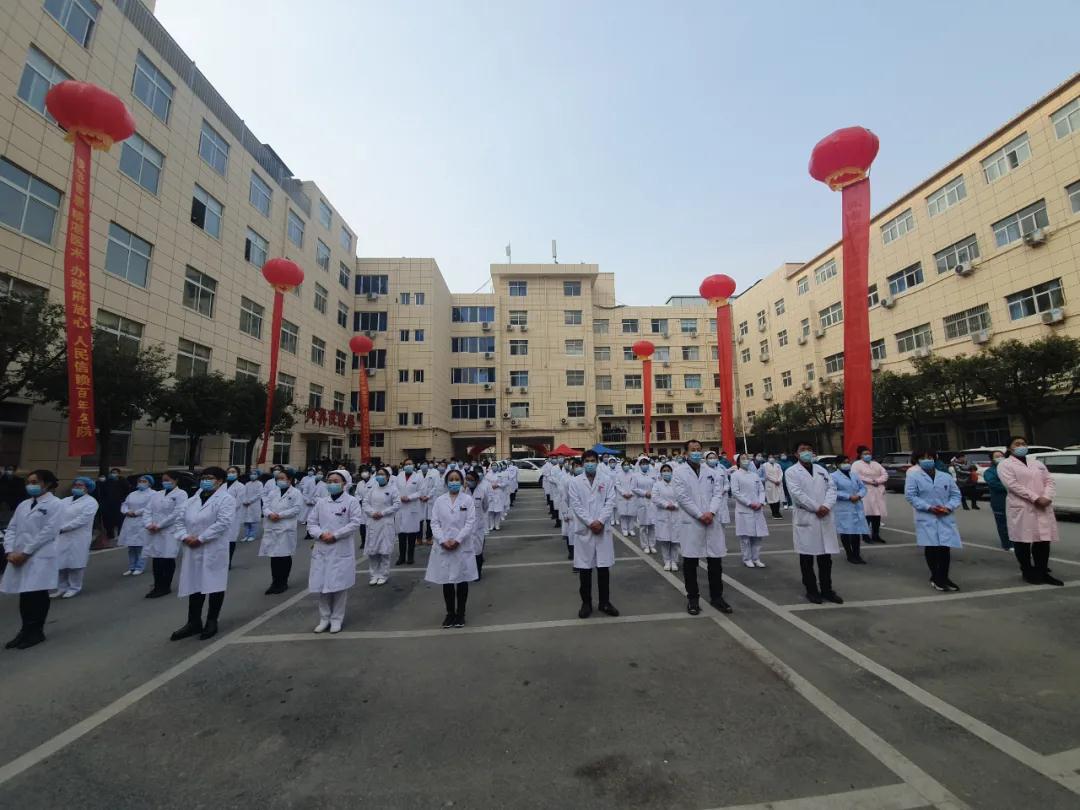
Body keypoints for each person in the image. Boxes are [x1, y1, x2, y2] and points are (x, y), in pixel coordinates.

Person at [170, 467, 235, 641]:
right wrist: (184, 536)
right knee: (194, 584)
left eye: (210, 478)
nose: (205, 480)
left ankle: (212, 621)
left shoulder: (226, 499)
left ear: (220, 481)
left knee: (214, 585)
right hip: (192, 547)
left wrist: (201, 538)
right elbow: (179, 520)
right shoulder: (193, 499)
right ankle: (193, 622)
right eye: (203, 477)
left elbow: (223, 523)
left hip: (213, 548)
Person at [2, 470, 62, 649]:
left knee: (37, 593)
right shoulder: (23, 504)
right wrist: (9, 551)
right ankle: (25, 630)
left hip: (39, 555)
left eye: (35, 482)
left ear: (47, 483)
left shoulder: (56, 504)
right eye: (28, 482)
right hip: (18, 554)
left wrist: (26, 553)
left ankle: (36, 631)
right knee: (25, 594)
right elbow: (12, 528)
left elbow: (49, 531)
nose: (30, 485)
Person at [673, 439, 732, 615]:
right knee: (690, 563)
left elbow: (718, 494)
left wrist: (711, 512)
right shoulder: (679, 472)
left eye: (699, 449)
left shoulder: (711, 472)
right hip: (692, 521)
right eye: (693, 450)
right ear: (685, 453)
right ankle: (693, 599)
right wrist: (700, 515)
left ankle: (717, 597)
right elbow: (682, 497)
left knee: (715, 562)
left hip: (711, 520)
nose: (696, 452)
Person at [997, 437, 1062, 586]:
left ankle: (1042, 572)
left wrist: (1047, 496)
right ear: (1009, 448)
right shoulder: (1005, 465)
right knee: (1022, 541)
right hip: (1022, 506)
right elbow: (1012, 485)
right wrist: (1035, 498)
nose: (1021, 446)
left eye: (1023, 443)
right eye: (1017, 444)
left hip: (1042, 505)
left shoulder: (1037, 463)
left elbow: (1049, 481)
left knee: (1043, 540)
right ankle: (1027, 571)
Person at [784, 443, 843, 605]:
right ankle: (811, 590)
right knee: (807, 559)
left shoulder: (821, 470)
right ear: (796, 454)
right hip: (807, 517)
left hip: (824, 515)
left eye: (809, 450)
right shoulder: (791, 472)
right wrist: (817, 508)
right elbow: (797, 494)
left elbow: (832, 489)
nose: (807, 452)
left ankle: (827, 590)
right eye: (802, 450)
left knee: (825, 559)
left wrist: (826, 506)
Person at [307, 470, 363, 633]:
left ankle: (337, 619)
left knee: (339, 586)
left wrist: (336, 535)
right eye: (329, 481)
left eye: (336, 481)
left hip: (340, 547)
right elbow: (311, 522)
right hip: (322, 546)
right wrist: (321, 534)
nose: (332, 484)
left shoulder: (351, 501)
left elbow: (355, 523)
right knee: (322, 586)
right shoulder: (321, 502)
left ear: (344, 483)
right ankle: (324, 618)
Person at [567, 450, 619, 619]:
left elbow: (610, 501)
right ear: (582, 463)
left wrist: (601, 521)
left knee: (603, 568)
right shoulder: (575, 482)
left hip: (602, 529)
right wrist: (591, 522)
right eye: (587, 461)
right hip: (585, 529)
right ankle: (586, 603)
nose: (590, 463)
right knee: (585, 569)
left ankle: (605, 602)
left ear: (597, 462)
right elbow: (576, 505)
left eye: (593, 461)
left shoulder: (606, 480)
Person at [427, 469, 478, 628]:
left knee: (462, 580)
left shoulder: (467, 500)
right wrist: (442, 540)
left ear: (462, 482)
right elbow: (434, 522)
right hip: (443, 546)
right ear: (446, 482)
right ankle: (450, 614)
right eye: (451, 479)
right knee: (447, 581)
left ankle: (461, 614)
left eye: (457, 479)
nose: (454, 482)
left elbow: (470, 522)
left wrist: (457, 540)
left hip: (461, 546)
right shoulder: (439, 501)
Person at [905, 451, 962, 591]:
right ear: (917, 460)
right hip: (927, 516)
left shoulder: (945, 476)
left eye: (929, 457)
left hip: (945, 515)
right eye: (922, 458)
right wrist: (928, 507)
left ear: (934, 459)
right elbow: (911, 496)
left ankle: (944, 577)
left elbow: (956, 495)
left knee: (945, 548)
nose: (927, 460)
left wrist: (948, 507)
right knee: (932, 547)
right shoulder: (913, 476)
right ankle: (936, 577)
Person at [143, 471, 188, 598]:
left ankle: (165, 586)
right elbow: (148, 510)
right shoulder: (157, 494)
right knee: (156, 559)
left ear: (176, 480)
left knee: (167, 558)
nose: (165, 482)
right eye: (163, 480)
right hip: (154, 530)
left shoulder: (181, 494)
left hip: (169, 531)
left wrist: (160, 525)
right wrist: (148, 524)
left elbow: (177, 513)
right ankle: (157, 585)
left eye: (168, 480)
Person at [52, 476, 100, 598]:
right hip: (61, 535)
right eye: (75, 485)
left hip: (78, 536)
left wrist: (64, 528)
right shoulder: (65, 500)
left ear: (87, 488)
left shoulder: (91, 502)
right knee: (60, 563)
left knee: (76, 563)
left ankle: (74, 587)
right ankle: (61, 587)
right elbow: (55, 513)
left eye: (80, 485)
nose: (77, 487)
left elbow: (82, 519)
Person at [260, 468, 303, 594]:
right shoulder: (273, 492)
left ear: (289, 480)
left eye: (282, 478)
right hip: (272, 526)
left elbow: (296, 509)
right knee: (274, 556)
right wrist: (269, 514)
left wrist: (280, 515)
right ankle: (275, 582)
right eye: (278, 479)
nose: (280, 481)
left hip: (285, 528)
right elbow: (265, 506)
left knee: (284, 556)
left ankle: (283, 582)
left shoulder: (296, 493)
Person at [363, 467, 400, 585]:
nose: (380, 476)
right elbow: (365, 503)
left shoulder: (393, 489)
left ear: (388, 477)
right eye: (378, 474)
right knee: (372, 551)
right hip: (373, 522)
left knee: (384, 551)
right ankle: (374, 575)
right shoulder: (372, 489)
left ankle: (384, 575)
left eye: (382, 474)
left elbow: (397, 504)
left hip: (385, 522)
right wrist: (372, 512)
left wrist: (383, 513)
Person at [731, 454, 768, 569]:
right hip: (744, 509)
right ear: (738, 462)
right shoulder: (735, 475)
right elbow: (735, 492)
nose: (746, 460)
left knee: (757, 536)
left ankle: (756, 558)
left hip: (757, 508)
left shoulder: (754, 475)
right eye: (743, 459)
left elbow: (761, 490)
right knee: (745, 537)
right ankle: (747, 558)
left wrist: (760, 502)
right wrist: (749, 503)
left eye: (747, 458)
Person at [831, 456, 868, 565]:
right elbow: (833, 491)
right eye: (844, 462)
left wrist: (859, 495)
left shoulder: (854, 475)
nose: (847, 464)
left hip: (856, 504)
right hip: (843, 507)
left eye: (848, 462)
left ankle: (857, 554)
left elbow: (863, 487)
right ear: (837, 464)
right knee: (846, 531)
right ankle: (849, 554)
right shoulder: (833, 476)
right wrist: (848, 496)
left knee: (856, 532)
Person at [118, 474, 154, 576]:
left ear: (150, 483)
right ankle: (131, 567)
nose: (141, 483)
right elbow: (124, 504)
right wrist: (126, 511)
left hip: (142, 520)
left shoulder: (153, 494)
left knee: (140, 547)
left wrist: (136, 512)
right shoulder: (132, 494)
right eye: (140, 481)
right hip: (130, 521)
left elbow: (150, 507)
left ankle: (139, 567)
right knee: (131, 547)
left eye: (144, 481)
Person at [851, 446, 888, 543]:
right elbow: (857, 476)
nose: (867, 455)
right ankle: (865, 536)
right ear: (860, 455)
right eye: (865, 454)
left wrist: (878, 481)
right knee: (866, 514)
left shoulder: (875, 464)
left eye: (869, 453)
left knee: (877, 515)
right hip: (865, 491)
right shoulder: (856, 464)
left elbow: (885, 474)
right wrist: (871, 481)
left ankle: (876, 535)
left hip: (877, 490)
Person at [651, 464, 680, 572]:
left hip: (676, 514)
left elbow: (682, 497)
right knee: (665, 541)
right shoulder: (657, 485)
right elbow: (655, 498)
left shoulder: (677, 484)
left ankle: (674, 561)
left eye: (668, 470)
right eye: (664, 471)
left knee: (675, 541)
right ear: (661, 473)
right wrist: (666, 505)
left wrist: (675, 505)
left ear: (672, 472)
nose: (666, 472)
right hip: (663, 514)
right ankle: (667, 561)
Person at [395, 460, 424, 564]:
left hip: (412, 507)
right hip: (401, 507)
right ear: (403, 466)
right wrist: (400, 497)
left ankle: (410, 557)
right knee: (401, 535)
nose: (408, 466)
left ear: (413, 465)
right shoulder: (399, 476)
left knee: (412, 535)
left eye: (410, 464)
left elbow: (421, 491)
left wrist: (410, 497)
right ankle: (401, 557)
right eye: (406, 464)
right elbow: (395, 489)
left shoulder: (418, 477)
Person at [982, 450, 1013, 550]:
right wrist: (1012, 487)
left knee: (1015, 524)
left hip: (1014, 501)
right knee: (1003, 524)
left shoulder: (1010, 469)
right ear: (992, 459)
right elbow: (994, 484)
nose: (1000, 458)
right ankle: (1007, 544)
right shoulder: (990, 472)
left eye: (1001, 455)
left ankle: (1017, 542)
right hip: (999, 502)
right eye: (997, 456)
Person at [464, 467, 490, 577]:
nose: (468, 481)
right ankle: (469, 571)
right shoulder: (463, 491)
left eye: (471, 479)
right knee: (467, 551)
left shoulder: (482, 491)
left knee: (478, 551)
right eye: (467, 479)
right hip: (465, 526)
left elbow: (485, 506)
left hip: (478, 526)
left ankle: (478, 573)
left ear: (477, 481)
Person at [632, 457, 657, 553]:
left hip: (652, 501)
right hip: (641, 501)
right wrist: (644, 493)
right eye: (642, 464)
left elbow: (656, 486)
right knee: (643, 526)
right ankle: (645, 545)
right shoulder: (635, 476)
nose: (644, 465)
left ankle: (652, 545)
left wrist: (652, 493)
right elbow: (634, 488)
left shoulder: (652, 475)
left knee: (652, 525)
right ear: (639, 465)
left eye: (646, 463)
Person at [98, 467, 129, 543]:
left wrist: (122, 500)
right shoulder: (107, 482)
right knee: (108, 521)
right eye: (112, 472)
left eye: (115, 472)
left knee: (119, 521)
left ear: (119, 474)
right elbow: (102, 493)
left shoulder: (123, 482)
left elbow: (127, 492)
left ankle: (120, 536)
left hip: (119, 504)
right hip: (108, 505)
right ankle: (110, 535)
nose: (113, 474)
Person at [239, 469, 263, 543]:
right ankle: (246, 535)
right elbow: (244, 493)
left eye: (254, 474)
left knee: (253, 522)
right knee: (246, 522)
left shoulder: (259, 484)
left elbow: (259, 494)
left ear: (258, 475)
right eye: (251, 474)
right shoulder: (247, 484)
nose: (252, 475)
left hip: (254, 504)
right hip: (246, 504)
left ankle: (252, 535)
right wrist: (244, 500)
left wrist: (250, 501)